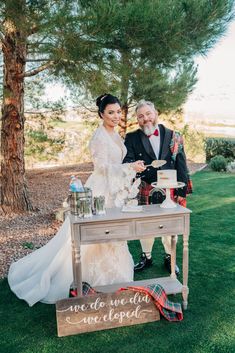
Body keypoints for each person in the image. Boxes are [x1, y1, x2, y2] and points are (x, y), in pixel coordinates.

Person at [8, 94, 145, 306]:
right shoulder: (98, 137)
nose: (116, 116)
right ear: (101, 114)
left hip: (115, 189)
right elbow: (101, 167)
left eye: (118, 111)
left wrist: (131, 167)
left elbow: (116, 162)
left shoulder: (115, 134)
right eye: (111, 112)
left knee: (115, 231)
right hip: (100, 189)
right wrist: (129, 168)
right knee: (95, 232)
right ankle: (89, 277)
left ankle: (115, 277)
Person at [123, 99, 192, 275]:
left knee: (170, 227)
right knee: (146, 226)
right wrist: (133, 165)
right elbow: (127, 161)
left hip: (170, 188)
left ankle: (170, 258)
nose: (145, 119)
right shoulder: (131, 138)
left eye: (148, 114)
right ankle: (146, 256)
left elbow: (181, 165)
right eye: (140, 116)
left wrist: (182, 193)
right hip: (145, 188)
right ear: (137, 120)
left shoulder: (174, 136)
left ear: (155, 115)